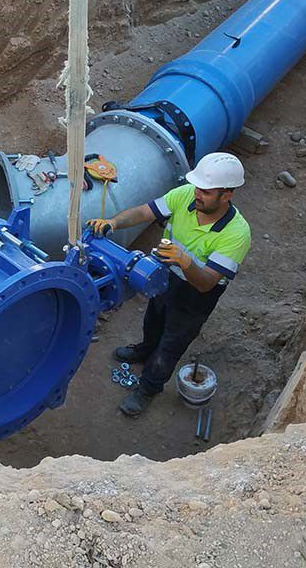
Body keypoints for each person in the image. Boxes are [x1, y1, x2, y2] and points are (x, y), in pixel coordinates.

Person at [88, 152, 251, 417]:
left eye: (206, 191)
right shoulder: (186, 195)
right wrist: (113, 222)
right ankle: (144, 350)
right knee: (154, 318)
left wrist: (184, 261)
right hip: (167, 275)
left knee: (172, 343)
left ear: (227, 195)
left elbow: (207, 283)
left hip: (196, 295)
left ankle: (148, 388)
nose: (198, 194)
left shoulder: (236, 234)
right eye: (198, 187)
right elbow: (145, 211)